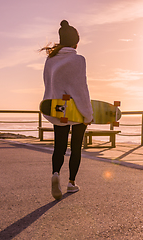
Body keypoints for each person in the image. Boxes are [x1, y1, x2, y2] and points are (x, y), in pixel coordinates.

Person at [41, 20, 93, 200]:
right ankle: (71, 183)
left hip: (58, 109)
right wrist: (87, 114)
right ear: (75, 42)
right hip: (76, 111)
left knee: (60, 146)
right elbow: (81, 88)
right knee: (76, 147)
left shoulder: (50, 60)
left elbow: (48, 83)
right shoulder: (78, 60)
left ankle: (55, 174)